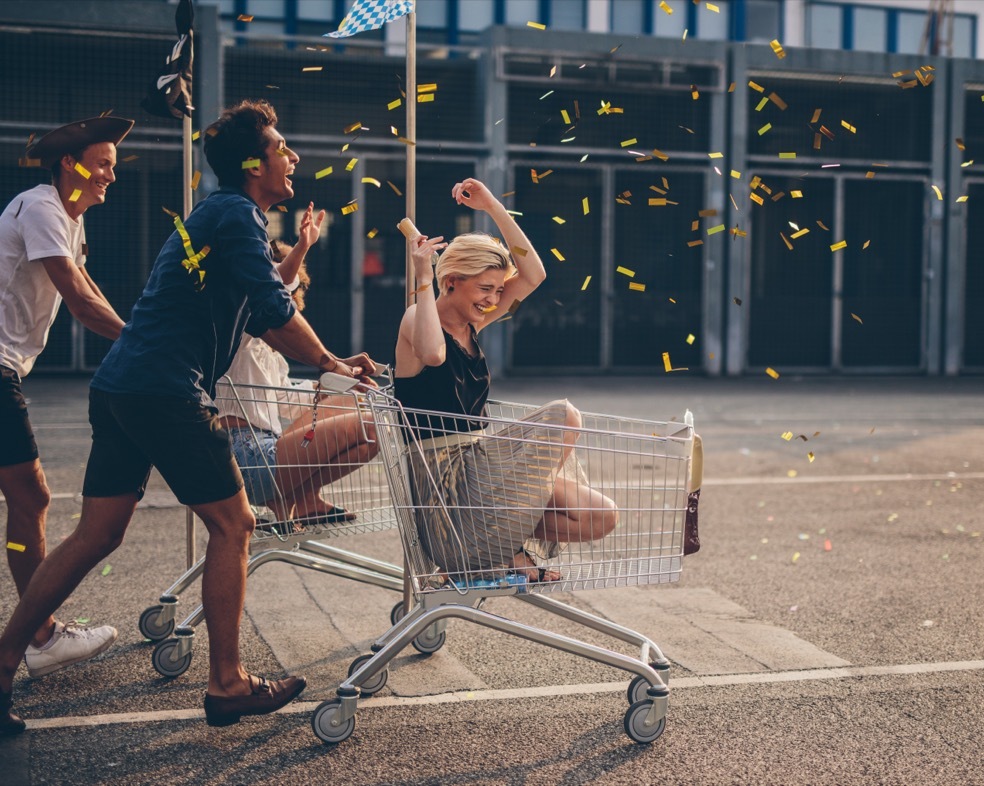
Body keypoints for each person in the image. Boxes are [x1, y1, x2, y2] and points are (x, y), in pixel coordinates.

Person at [0, 100, 376, 736]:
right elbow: (275, 308)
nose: (293, 158)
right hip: (166, 390)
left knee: (98, 535)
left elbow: (258, 311)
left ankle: (6, 659)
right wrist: (332, 362)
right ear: (253, 164)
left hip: (123, 385)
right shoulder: (237, 215)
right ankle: (227, 683)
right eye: (283, 147)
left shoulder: (218, 214)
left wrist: (322, 358)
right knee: (235, 524)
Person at [392, 177, 618, 586]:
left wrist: (493, 207)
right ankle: (502, 550)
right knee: (564, 416)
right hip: (447, 490)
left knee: (599, 516)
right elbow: (433, 354)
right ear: (451, 282)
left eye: (497, 290)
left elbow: (533, 275)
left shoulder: (472, 320)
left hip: (480, 477)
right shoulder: (416, 319)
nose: (494, 300)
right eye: (484, 289)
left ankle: (504, 543)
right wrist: (422, 273)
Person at [0, 116, 134, 687]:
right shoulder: (41, 208)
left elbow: (87, 285)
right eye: (102, 164)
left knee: (26, 500)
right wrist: (141, 343)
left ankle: (39, 633)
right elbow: (77, 299)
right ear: (68, 165)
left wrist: (135, 332)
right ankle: (42, 635)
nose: (109, 175)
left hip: (6, 368)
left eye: (111, 165)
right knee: (31, 496)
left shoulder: (65, 219)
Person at [216, 228, 379, 532]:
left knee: (361, 406)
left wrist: (339, 384)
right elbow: (270, 288)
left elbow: (286, 400)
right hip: (244, 455)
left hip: (265, 447)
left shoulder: (269, 347)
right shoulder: (239, 324)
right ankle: (293, 498)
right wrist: (303, 247)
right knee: (371, 426)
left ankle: (303, 499)